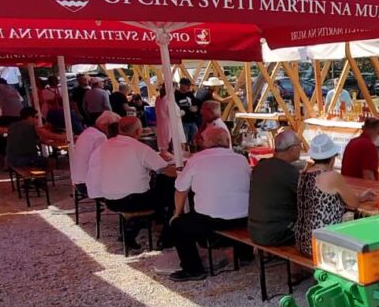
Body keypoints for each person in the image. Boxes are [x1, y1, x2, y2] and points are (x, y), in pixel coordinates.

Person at [168, 126, 252, 281]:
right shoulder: (241, 159)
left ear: (205, 142)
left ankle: (193, 270)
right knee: (235, 204)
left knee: (178, 226)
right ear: (227, 141)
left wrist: (177, 213)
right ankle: (245, 255)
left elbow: (180, 190)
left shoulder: (196, 160)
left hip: (211, 222)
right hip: (243, 217)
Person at [87, 116, 177, 252]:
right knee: (173, 193)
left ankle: (137, 228)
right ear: (138, 132)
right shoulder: (139, 148)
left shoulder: (106, 145)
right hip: (134, 201)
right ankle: (166, 239)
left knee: (160, 187)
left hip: (110, 200)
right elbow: (166, 170)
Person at [296, 134, 375, 257]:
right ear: (332, 158)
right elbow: (354, 204)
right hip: (322, 245)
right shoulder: (332, 176)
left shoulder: (304, 174)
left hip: (302, 241)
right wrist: (358, 198)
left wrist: (361, 196)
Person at [248, 129, 303, 246]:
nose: (301, 148)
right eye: (299, 145)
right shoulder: (289, 171)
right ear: (292, 149)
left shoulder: (260, 167)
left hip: (254, 229)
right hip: (275, 233)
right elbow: (306, 196)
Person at [72, 111, 120, 198]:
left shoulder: (87, 132)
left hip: (77, 180)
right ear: (106, 126)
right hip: (87, 184)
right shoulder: (100, 137)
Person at [175, 78, 200, 143]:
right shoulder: (176, 94)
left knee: (195, 138)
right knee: (184, 139)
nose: (189, 87)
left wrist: (195, 109)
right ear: (181, 85)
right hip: (183, 121)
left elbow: (195, 104)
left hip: (192, 120)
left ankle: (194, 150)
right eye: (187, 85)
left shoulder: (190, 94)